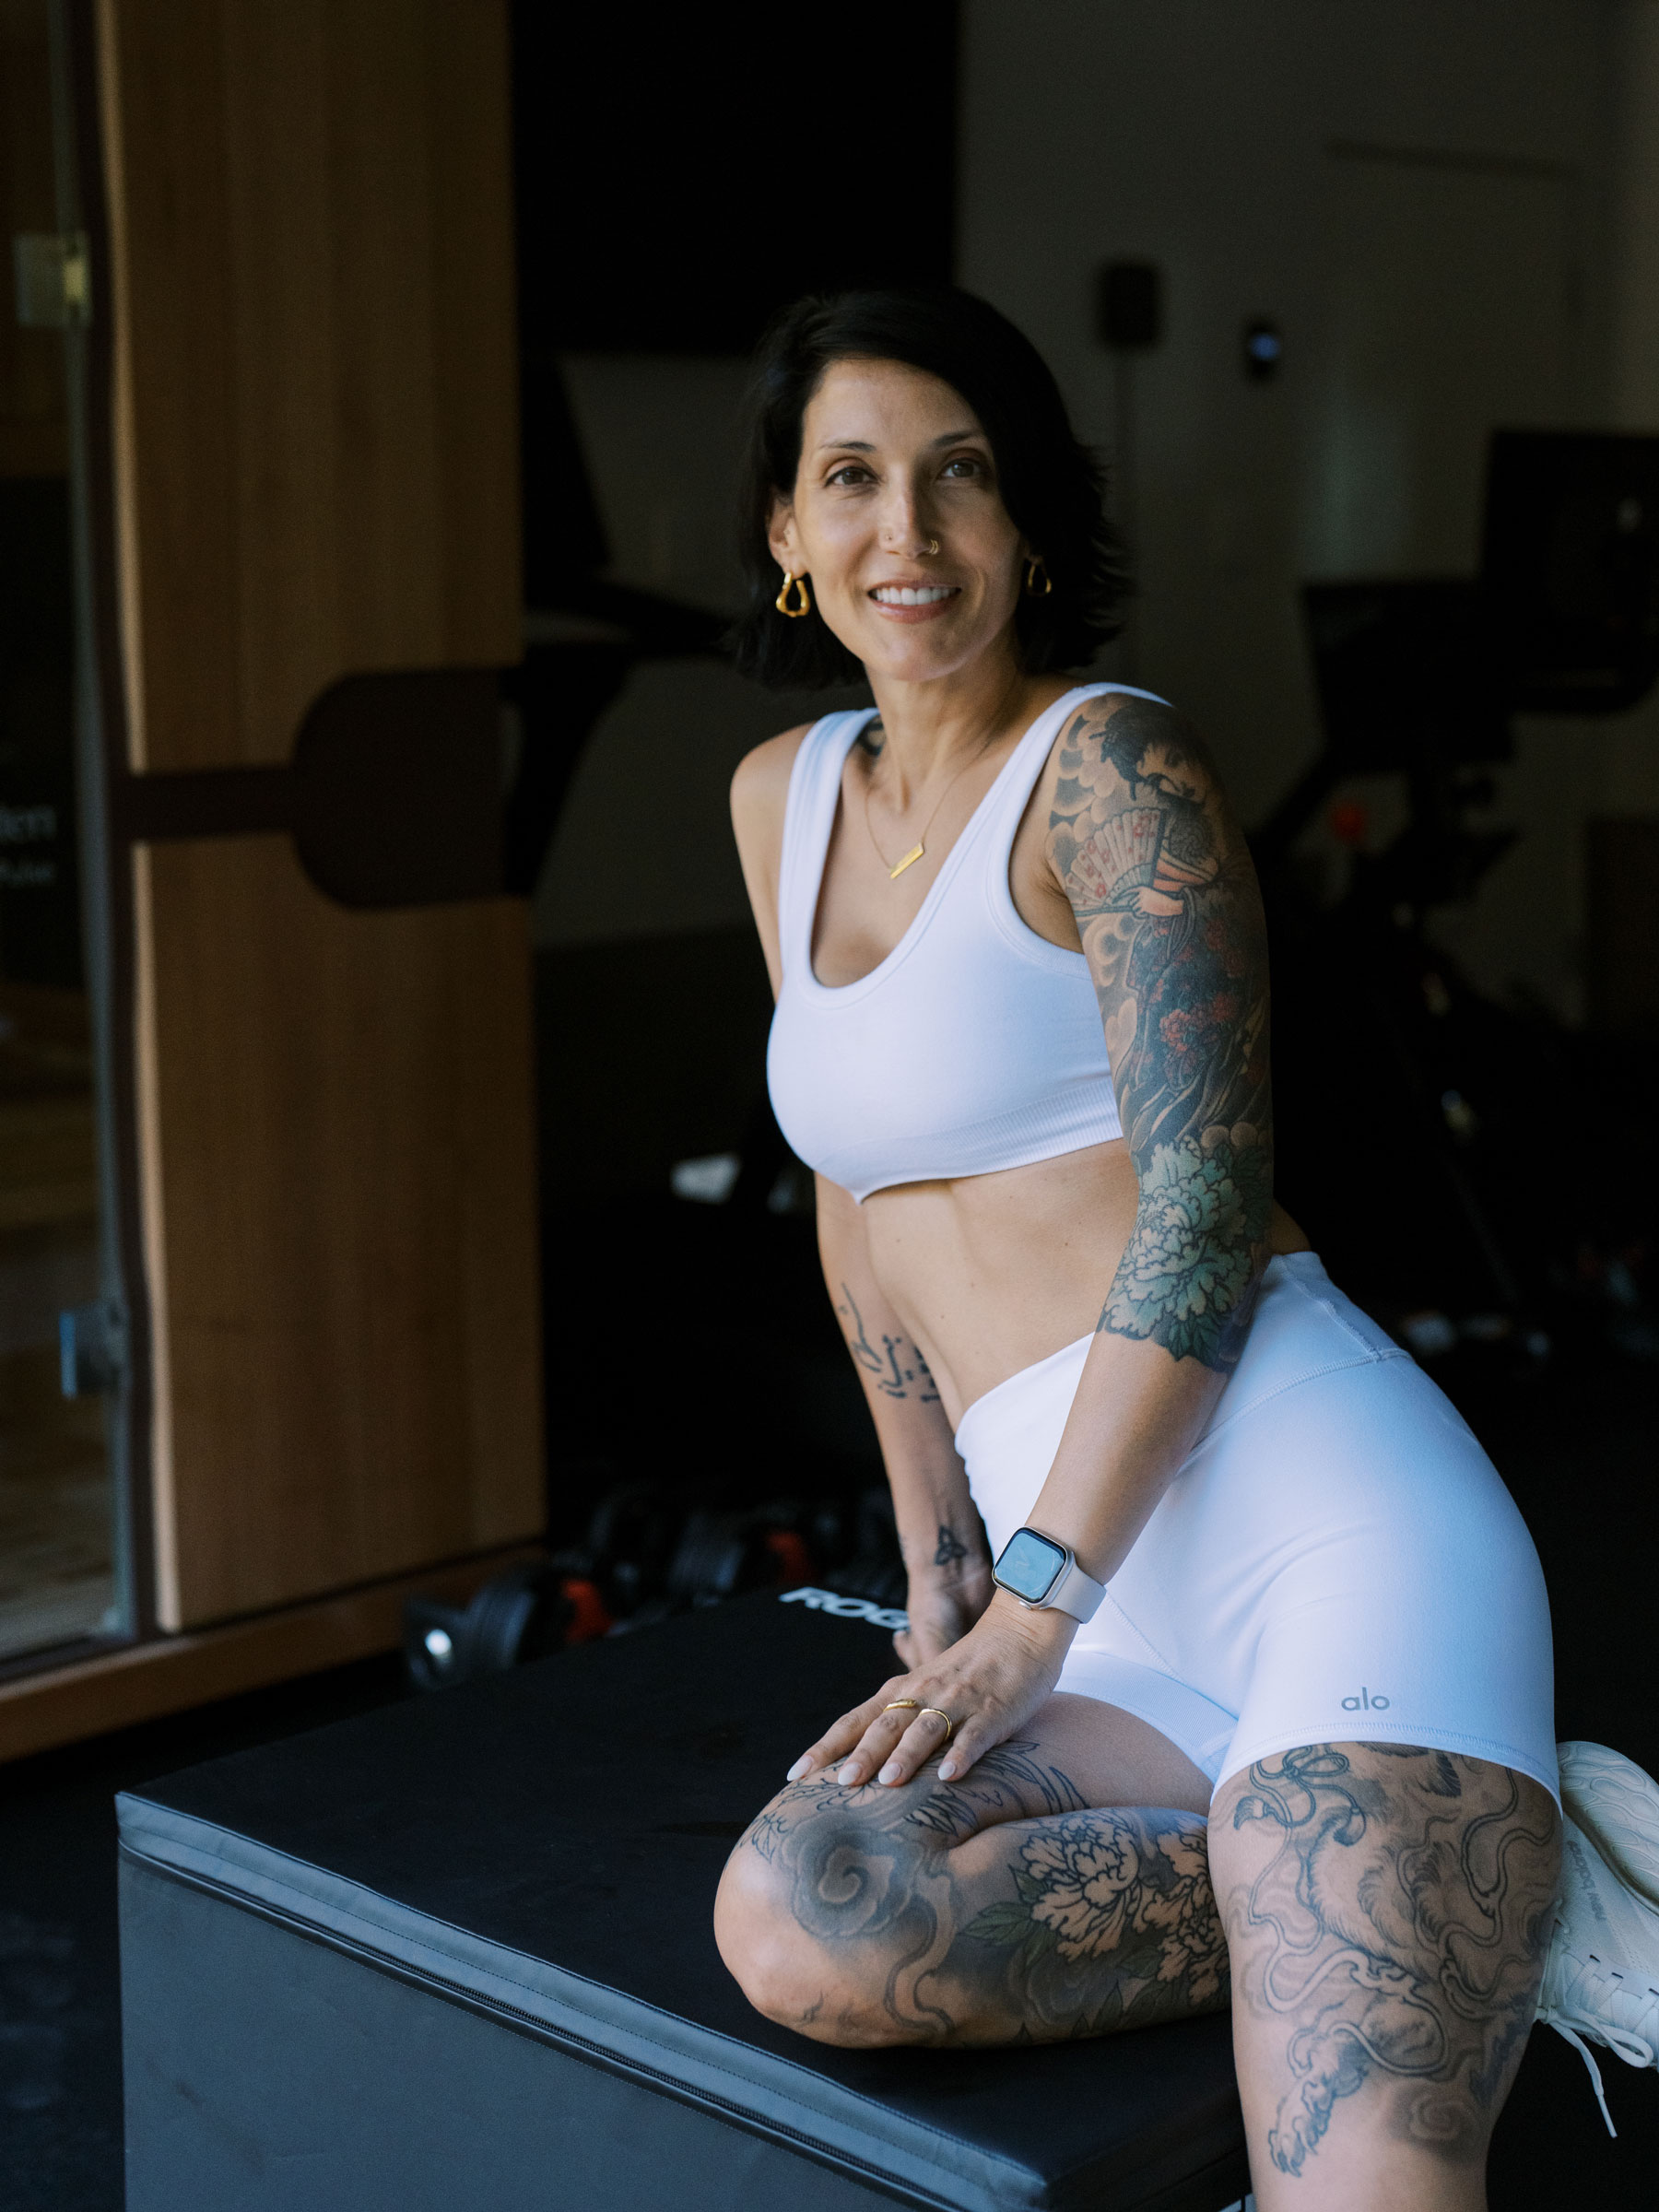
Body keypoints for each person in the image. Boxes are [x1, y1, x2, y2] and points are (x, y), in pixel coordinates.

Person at [712, 287, 1659, 2206]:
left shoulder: (1111, 771)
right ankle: (1417, 1886)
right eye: (854, 479)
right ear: (790, 534)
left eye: (963, 474)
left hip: (1317, 1545)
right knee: (814, 1907)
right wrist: (940, 1564)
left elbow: (1208, 1208)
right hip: (1081, 1607)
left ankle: (1400, 1867)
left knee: (1359, 2187)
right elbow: (852, 1182)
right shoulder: (781, 798)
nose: (909, 530)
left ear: (1031, 525)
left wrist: (1031, 1614)